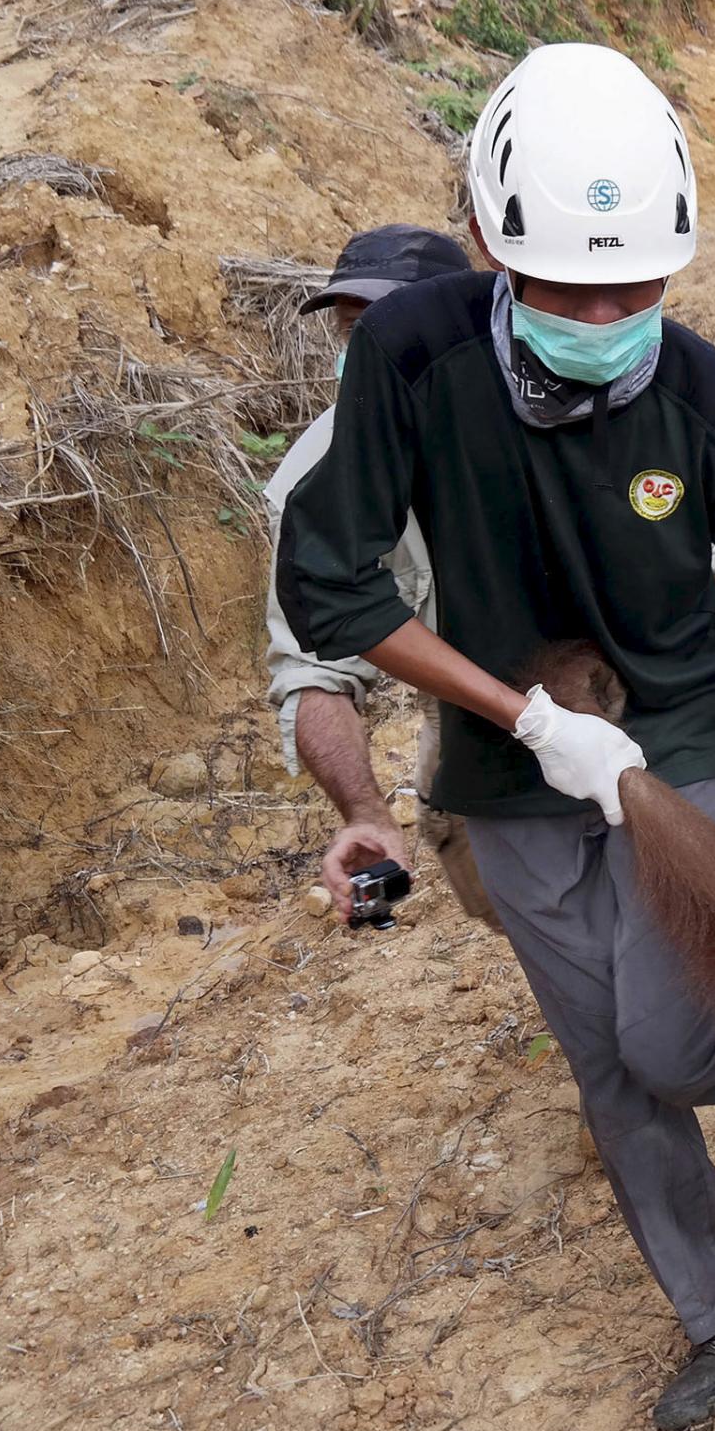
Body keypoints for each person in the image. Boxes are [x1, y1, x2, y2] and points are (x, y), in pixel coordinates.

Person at [274, 42, 715, 1431]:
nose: (606, 313)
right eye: (568, 288)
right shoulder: (414, 358)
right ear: (487, 242)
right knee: (602, 1058)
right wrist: (525, 715)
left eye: (637, 287)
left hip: (672, 740)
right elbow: (334, 586)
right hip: (504, 766)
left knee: (665, 1033)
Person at [263, 224, 501, 928]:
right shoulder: (313, 482)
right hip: (469, 727)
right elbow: (312, 671)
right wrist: (367, 813)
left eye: (388, 329)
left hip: (595, 685)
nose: (366, 356)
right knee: (520, 909)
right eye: (352, 335)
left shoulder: (542, 411)